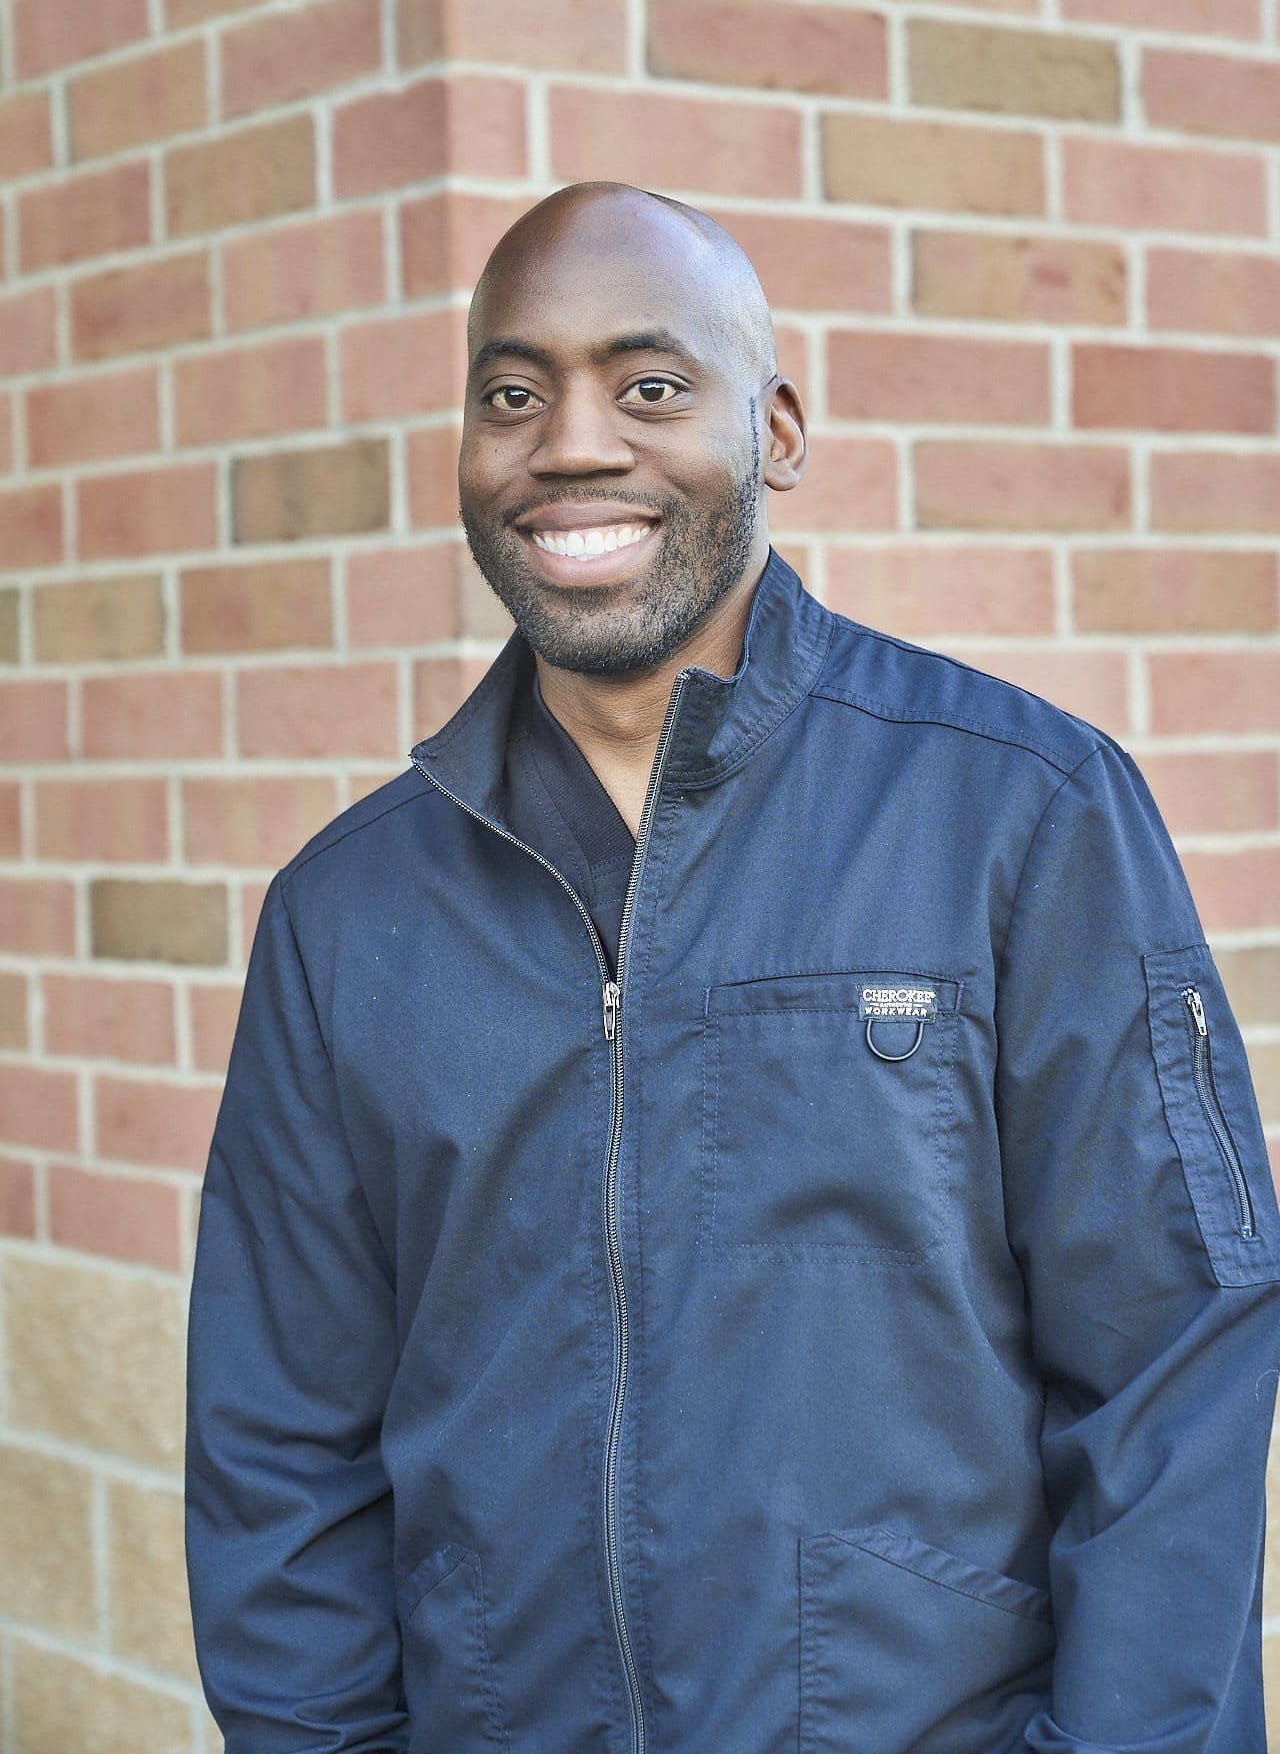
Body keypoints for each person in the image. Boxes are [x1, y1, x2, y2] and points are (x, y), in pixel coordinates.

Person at [184, 180, 1280, 1754]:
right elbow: (278, 1451)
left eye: (648, 385)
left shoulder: (1022, 814)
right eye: (512, 392)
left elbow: (1173, 1372)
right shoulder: (344, 917)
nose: (569, 443)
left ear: (772, 433)